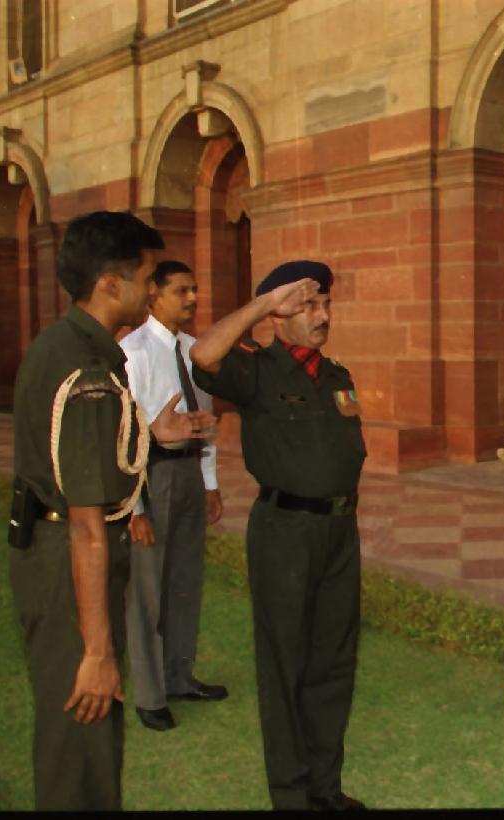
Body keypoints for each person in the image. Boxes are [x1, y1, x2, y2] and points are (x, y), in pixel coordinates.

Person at [9, 211, 212, 810]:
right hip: (70, 567)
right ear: (109, 284)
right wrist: (97, 652)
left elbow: (78, 450)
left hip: (56, 558)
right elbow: (86, 527)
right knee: (84, 742)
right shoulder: (89, 370)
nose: (152, 292)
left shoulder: (67, 344)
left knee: (82, 743)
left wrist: (151, 433)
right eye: (146, 279)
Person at [190, 260, 367, 811]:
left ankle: (324, 787)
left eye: (326, 304)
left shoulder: (336, 375)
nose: (323, 315)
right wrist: (264, 304)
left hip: (339, 532)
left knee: (333, 662)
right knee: (284, 662)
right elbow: (203, 355)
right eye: (309, 305)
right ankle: (291, 795)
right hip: (285, 533)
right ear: (280, 312)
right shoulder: (255, 370)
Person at [120, 260, 227, 733]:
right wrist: (134, 507)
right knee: (147, 590)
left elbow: (203, 419)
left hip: (188, 472)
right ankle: (149, 694)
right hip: (151, 475)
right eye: (181, 290)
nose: (192, 299)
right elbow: (122, 434)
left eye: (195, 289)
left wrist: (209, 481)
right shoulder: (133, 352)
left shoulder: (195, 351)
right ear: (154, 294)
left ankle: (180, 676)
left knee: (185, 580)